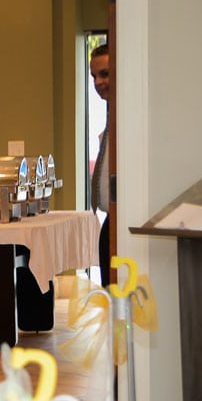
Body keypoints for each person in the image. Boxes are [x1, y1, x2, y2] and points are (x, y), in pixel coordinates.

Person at [89, 44, 111, 287]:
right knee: (108, 291)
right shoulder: (111, 111)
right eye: (94, 76)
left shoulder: (128, 112)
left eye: (104, 74)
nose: (98, 82)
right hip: (110, 218)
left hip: (123, 217)